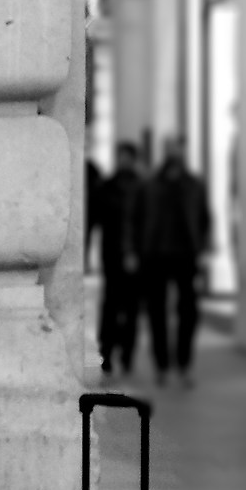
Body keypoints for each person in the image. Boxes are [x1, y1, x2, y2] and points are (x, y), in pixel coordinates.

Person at [140, 137, 211, 386]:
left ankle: (184, 364)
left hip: (185, 255)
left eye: (179, 148)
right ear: (166, 151)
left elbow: (204, 219)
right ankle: (162, 365)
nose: (175, 152)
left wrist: (203, 250)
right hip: (156, 254)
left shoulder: (194, 185)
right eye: (171, 148)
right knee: (156, 312)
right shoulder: (150, 184)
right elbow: (139, 218)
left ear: (184, 152)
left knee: (188, 312)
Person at [94, 142, 148, 377]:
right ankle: (106, 351)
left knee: (132, 307)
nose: (123, 161)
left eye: (127, 157)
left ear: (134, 159)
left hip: (136, 257)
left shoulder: (144, 188)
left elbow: (147, 225)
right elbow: (97, 217)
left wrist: (138, 254)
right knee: (111, 305)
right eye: (120, 157)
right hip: (112, 255)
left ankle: (127, 354)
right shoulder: (107, 186)